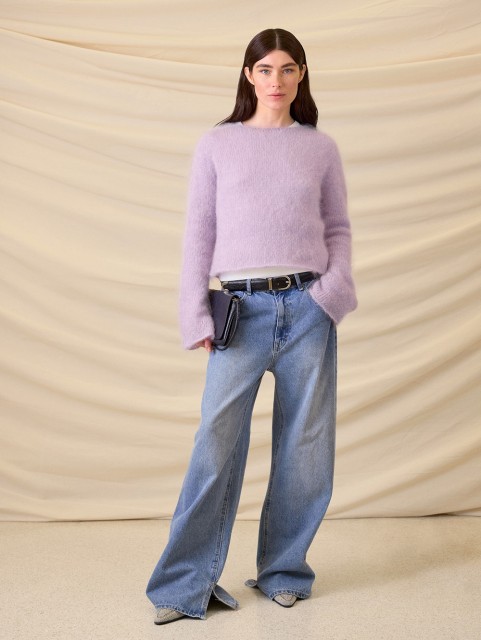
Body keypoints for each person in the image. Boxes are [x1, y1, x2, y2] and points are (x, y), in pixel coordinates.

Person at [146, 27, 357, 625]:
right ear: (248, 76)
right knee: (215, 444)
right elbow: (199, 233)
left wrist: (330, 296)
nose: (276, 80)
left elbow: (337, 228)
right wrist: (194, 313)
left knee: (306, 449)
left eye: (288, 69)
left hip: (308, 309)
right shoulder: (218, 144)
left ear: (301, 75)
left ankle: (284, 571)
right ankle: (183, 585)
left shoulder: (319, 147)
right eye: (265, 69)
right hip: (239, 312)